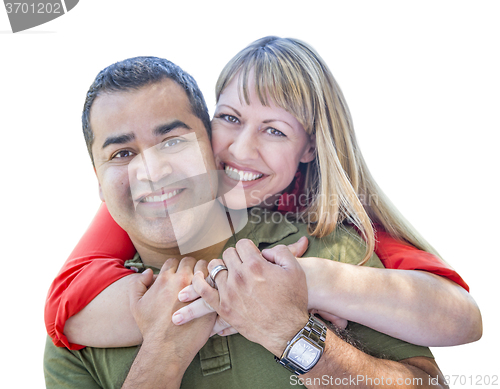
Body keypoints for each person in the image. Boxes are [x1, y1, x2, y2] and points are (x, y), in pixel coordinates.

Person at [44, 37, 480, 351]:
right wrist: (230, 297)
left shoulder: (338, 223)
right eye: (230, 118)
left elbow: (462, 319)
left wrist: (309, 280)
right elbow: (65, 303)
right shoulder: (162, 196)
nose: (241, 149)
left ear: (311, 147)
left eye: (274, 130)